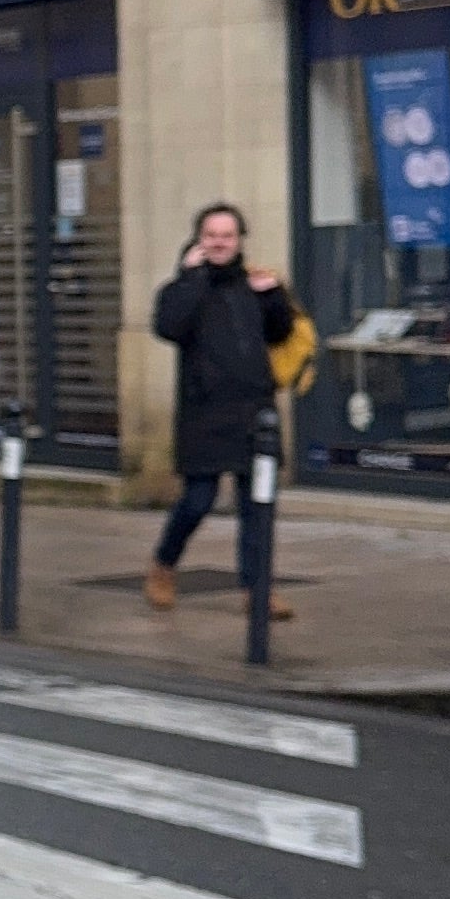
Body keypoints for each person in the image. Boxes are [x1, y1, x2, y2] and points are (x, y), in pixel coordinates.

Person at [146, 204, 298, 616]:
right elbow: (169, 327)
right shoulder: (180, 289)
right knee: (197, 500)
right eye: (211, 235)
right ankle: (164, 564)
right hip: (204, 415)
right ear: (199, 240)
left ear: (239, 241)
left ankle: (257, 590)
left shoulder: (251, 286)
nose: (219, 242)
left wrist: (275, 297)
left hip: (253, 413)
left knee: (256, 507)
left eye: (227, 235)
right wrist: (192, 277)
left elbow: (281, 332)